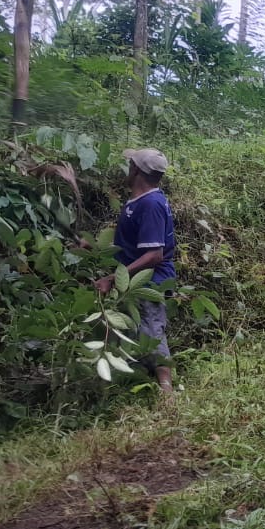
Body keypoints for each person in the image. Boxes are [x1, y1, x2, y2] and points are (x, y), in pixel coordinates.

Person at [92, 148, 177, 394]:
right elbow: (131, 243)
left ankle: (167, 394)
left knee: (152, 333)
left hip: (150, 281)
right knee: (136, 332)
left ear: (136, 170)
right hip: (133, 281)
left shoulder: (150, 205)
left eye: (130, 164)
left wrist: (112, 278)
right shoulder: (140, 201)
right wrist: (94, 247)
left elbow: (154, 255)